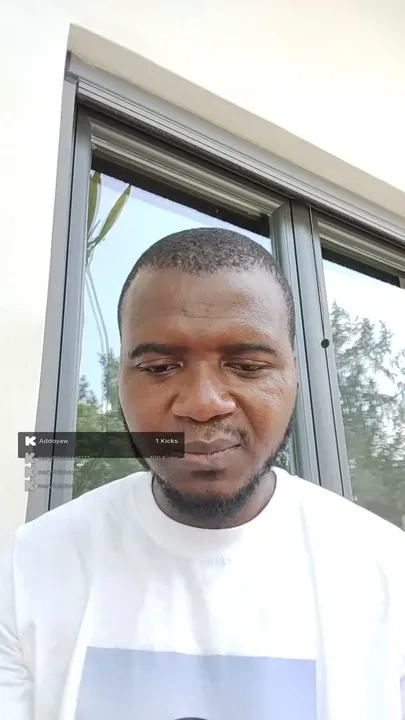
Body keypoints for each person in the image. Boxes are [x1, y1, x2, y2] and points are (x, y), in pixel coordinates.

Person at [0, 227, 404, 720]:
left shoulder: (389, 576)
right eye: (159, 367)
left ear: (295, 375)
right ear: (119, 380)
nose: (203, 403)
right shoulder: (29, 570)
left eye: (247, 366)